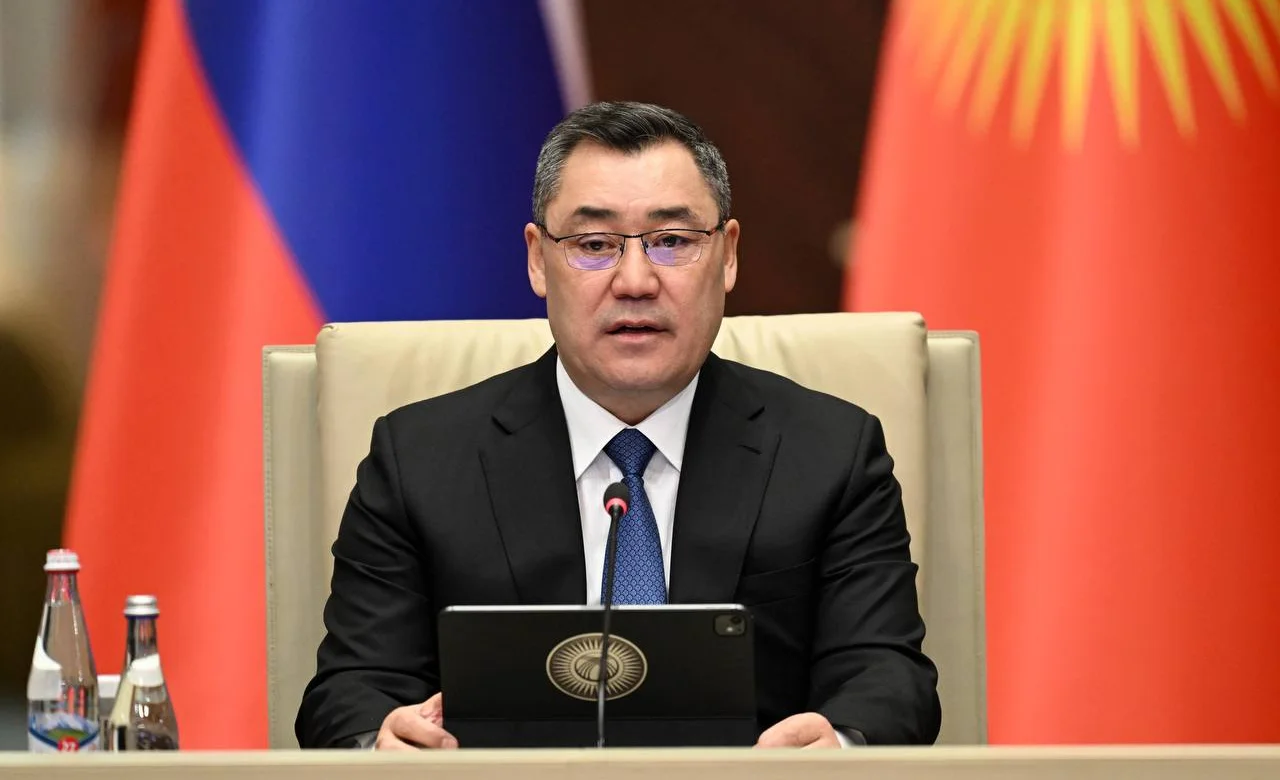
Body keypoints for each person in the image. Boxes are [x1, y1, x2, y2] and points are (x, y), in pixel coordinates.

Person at [295, 101, 940, 750]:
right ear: (538, 260)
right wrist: (382, 741)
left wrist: (841, 746)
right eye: (595, 245)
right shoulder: (419, 461)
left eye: (673, 242)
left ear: (728, 256)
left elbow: (887, 678)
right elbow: (350, 691)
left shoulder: (831, 454)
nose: (635, 281)